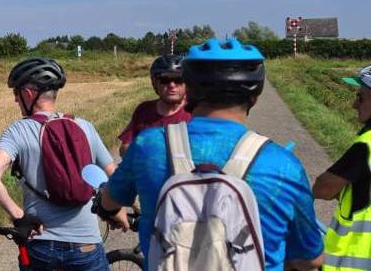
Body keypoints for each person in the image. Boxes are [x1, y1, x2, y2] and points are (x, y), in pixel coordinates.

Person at [96, 39, 324, 270]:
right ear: (255, 95)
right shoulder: (283, 165)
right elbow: (311, 258)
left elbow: (109, 200)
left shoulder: (149, 145)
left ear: (190, 90)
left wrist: (109, 208)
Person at [0, 57, 120, 271]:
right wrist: (111, 209)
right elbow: (115, 177)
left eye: (16, 94)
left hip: (41, 247)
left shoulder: (17, 131)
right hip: (86, 245)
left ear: (28, 93)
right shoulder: (85, 127)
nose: (15, 101)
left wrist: (20, 217)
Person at [313, 65, 371, 270]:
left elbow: (323, 188)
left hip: (352, 261)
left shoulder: (366, 146)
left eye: (361, 97)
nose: (355, 104)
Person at [117, 54, 191, 157]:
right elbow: (124, 148)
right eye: (164, 80)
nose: (172, 85)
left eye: (178, 79)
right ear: (154, 83)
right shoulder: (143, 110)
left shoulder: (196, 111)